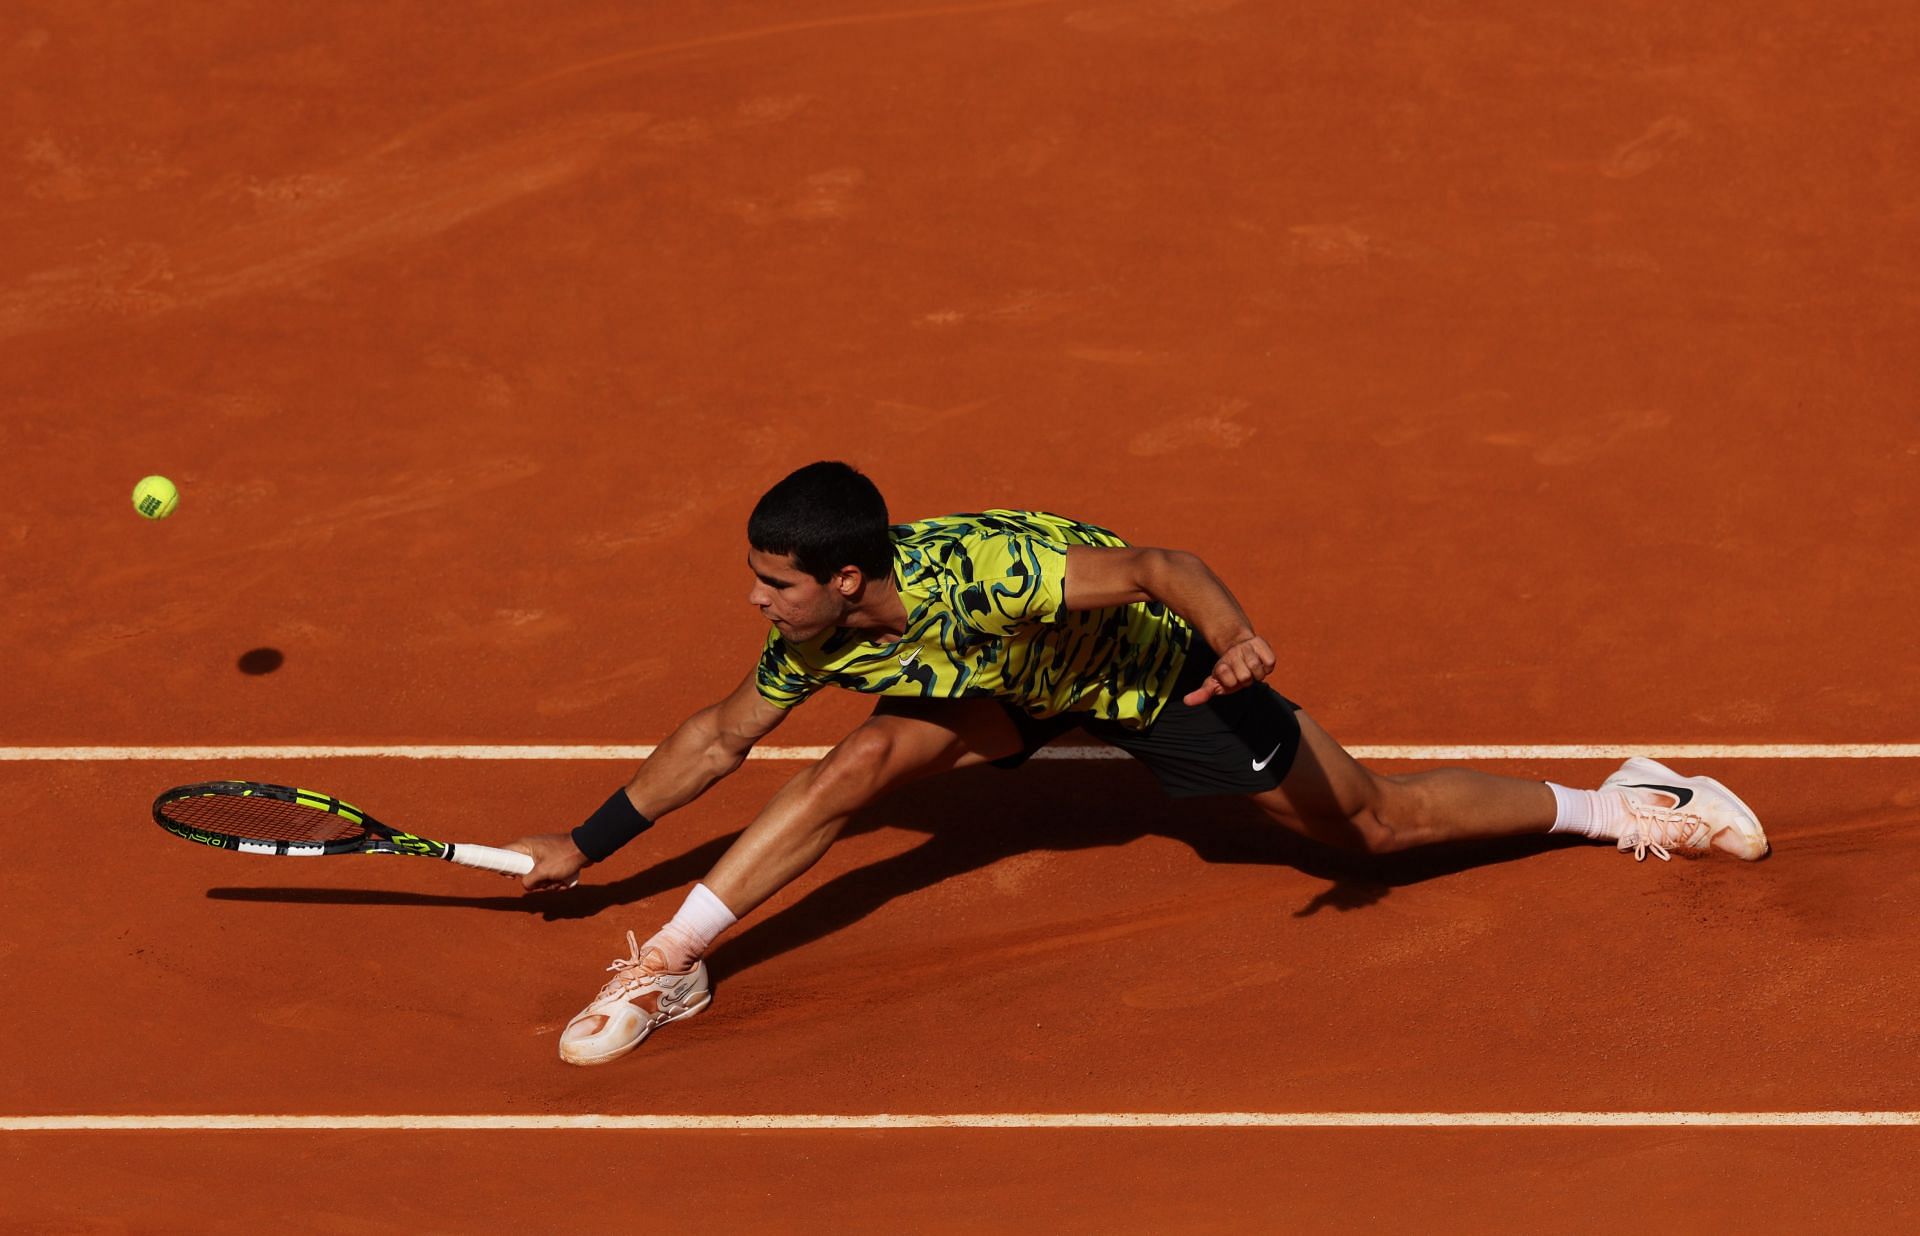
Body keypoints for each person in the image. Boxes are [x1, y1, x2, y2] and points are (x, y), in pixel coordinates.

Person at [504, 461, 1768, 1066]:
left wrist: (1234, 639)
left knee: (1370, 829)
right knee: (857, 762)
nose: (754, 601)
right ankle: (675, 962)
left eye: (774, 583)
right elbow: (717, 739)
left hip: (1157, 675)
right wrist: (589, 844)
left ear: (845, 578)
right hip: (1007, 694)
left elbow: (1165, 567)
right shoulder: (825, 641)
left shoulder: (987, 574)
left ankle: (1629, 801)